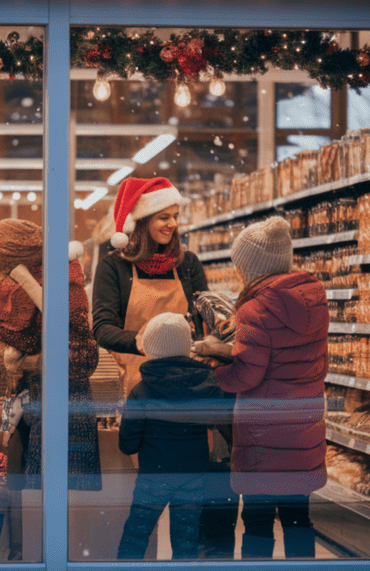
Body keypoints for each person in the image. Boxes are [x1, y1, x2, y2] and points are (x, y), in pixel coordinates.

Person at [91, 176, 238, 559]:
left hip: (191, 380)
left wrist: (219, 334)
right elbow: (103, 327)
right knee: (165, 494)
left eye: (175, 215)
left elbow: (204, 316)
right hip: (142, 378)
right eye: (163, 216)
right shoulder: (114, 267)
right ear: (140, 220)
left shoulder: (186, 264)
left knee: (163, 499)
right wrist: (142, 341)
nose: (172, 224)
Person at [201, 215, 329, 559]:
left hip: (265, 437)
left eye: (240, 266)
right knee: (297, 519)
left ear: (253, 267)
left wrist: (216, 368)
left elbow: (246, 376)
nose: (239, 274)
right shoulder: (315, 298)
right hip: (304, 429)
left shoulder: (256, 309)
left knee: (257, 521)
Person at [0, 220, 102, 492]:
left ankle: (62, 534)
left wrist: (25, 359)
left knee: (62, 493)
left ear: (13, 261)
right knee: (39, 489)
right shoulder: (21, 287)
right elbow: (29, 338)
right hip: (40, 398)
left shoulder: (61, 282)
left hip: (65, 399)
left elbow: (57, 335)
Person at [117, 312, 230, 560]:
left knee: (136, 533)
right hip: (193, 473)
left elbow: (128, 444)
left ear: (149, 349)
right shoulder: (207, 383)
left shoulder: (142, 390)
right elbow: (217, 419)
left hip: (153, 476)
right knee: (186, 540)